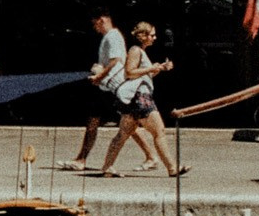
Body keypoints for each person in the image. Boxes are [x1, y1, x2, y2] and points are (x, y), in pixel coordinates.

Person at [59, 10, 154, 172]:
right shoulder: (110, 37)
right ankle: (81, 158)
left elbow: (116, 60)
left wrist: (99, 74)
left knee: (128, 123)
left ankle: (151, 157)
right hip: (106, 86)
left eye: (95, 23)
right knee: (96, 121)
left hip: (113, 87)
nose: (94, 27)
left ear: (102, 20)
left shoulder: (113, 36)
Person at [96, 22, 185, 177]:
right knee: (159, 132)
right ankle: (172, 168)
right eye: (152, 35)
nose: (154, 38)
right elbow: (129, 73)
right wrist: (151, 68)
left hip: (133, 99)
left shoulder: (139, 51)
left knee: (122, 134)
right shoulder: (136, 50)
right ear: (143, 36)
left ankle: (107, 167)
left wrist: (160, 68)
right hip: (140, 98)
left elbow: (141, 75)